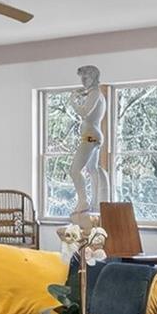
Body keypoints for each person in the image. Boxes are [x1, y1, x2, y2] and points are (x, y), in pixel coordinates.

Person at [69, 64, 107, 219]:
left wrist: (73, 100)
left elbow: (84, 112)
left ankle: (83, 201)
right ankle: (94, 202)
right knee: (92, 170)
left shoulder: (95, 93)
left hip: (90, 137)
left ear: (94, 78)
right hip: (94, 136)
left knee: (74, 170)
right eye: (82, 77)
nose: (83, 80)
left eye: (86, 77)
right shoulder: (95, 93)